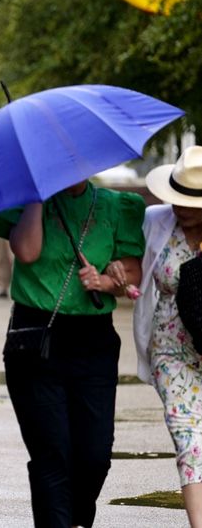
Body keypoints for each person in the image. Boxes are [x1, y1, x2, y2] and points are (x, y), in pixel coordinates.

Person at [0, 178, 144, 528]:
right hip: (35, 340)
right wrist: (36, 196)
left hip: (94, 341)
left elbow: (133, 270)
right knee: (52, 454)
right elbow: (27, 252)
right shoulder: (18, 201)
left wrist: (107, 282)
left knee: (95, 456)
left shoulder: (118, 206)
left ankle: (74, 521)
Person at [134, 146, 202, 527]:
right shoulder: (154, 222)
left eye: (189, 201)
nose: (178, 207)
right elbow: (130, 265)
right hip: (171, 349)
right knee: (188, 437)